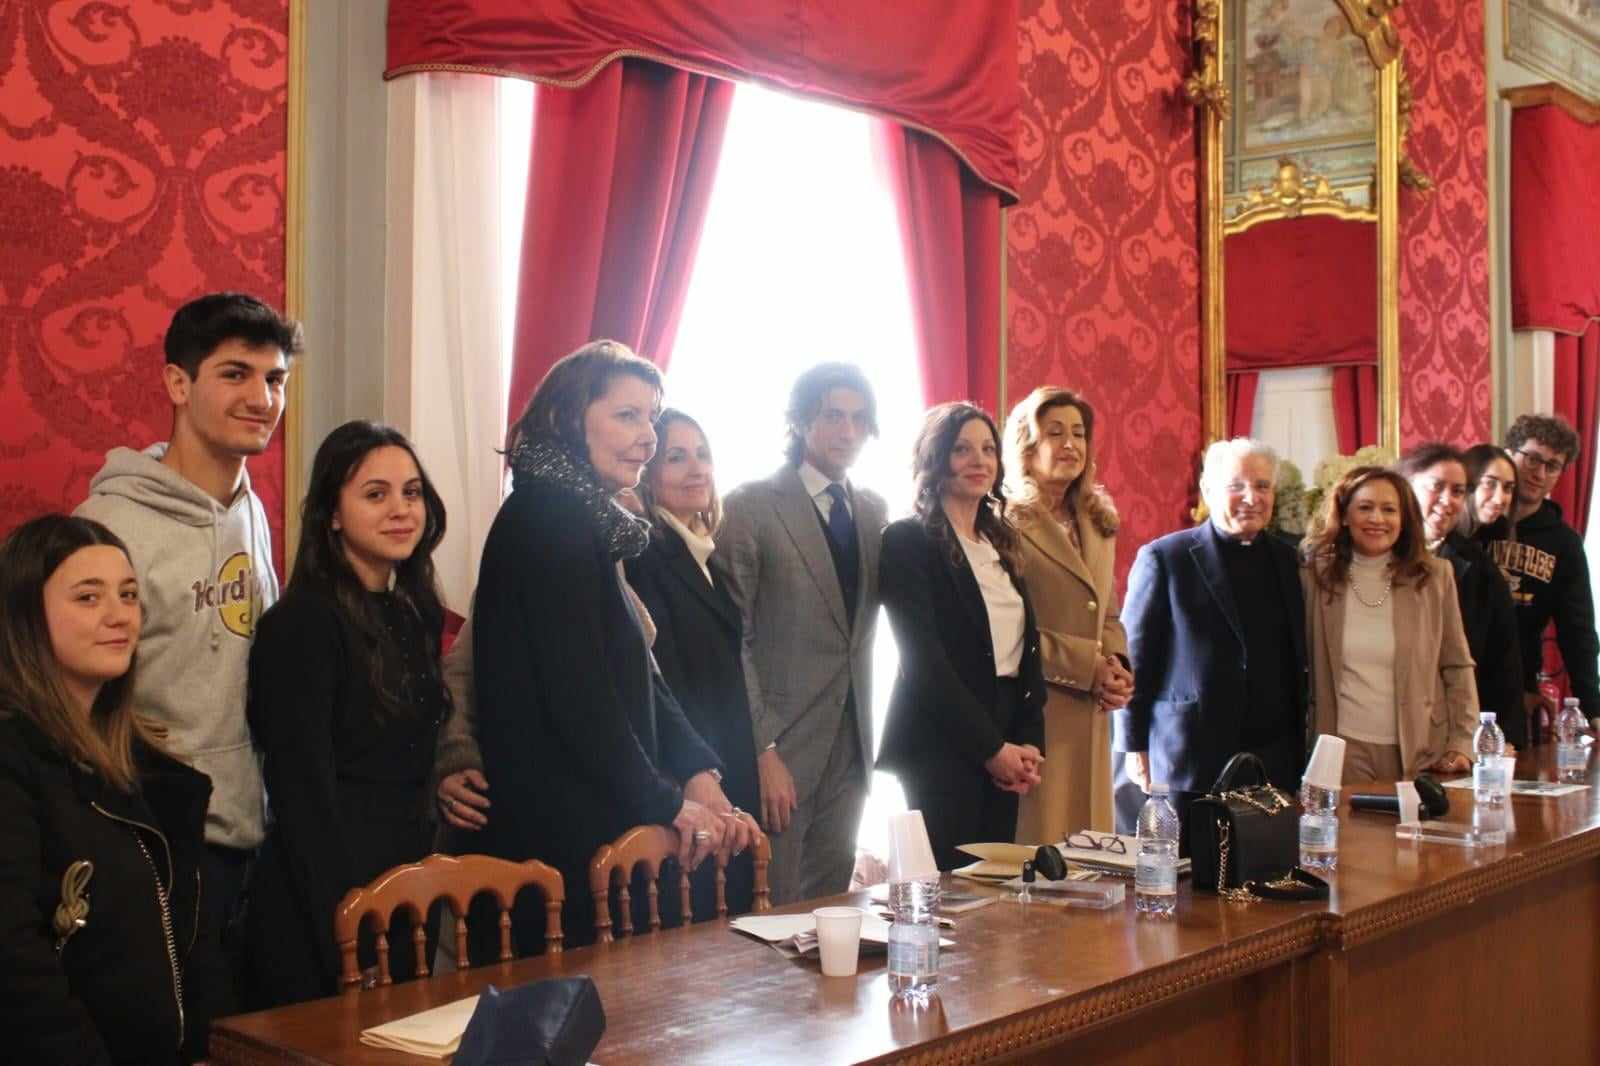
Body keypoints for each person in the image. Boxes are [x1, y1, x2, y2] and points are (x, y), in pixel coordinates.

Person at [474, 340, 756, 948]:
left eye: (650, 417)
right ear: (567, 417)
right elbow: (581, 695)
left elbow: (641, 674)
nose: (648, 438)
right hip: (560, 840)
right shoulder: (548, 517)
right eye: (627, 416)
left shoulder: (578, 516)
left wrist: (696, 770)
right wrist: (667, 801)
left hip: (595, 823)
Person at [73, 292, 301, 1009]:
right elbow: (65, 699)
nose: (262, 398)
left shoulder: (251, 509)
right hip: (159, 842)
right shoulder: (109, 526)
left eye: (274, 379)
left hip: (252, 834)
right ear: (178, 382)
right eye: (235, 374)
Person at [0, 515, 222, 1064]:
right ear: (26, 616)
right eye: (88, 597)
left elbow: (178, 945)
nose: (119, 615)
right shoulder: (14, 758)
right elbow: (16, 966)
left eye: (128, 594)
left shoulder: (144, 766)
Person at [243, 422, 451, 1007]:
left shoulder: (413, 610)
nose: (401, 510)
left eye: (412, 492)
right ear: (332, 514)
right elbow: (302, 793)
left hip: (405, 884)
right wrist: (349, 931)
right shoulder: (301, 625)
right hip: (323, 902)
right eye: (376, 494)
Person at [716, 363, 887, 904]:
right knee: (773, 914)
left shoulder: (873, 512)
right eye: (833, 415)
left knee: (834, 913)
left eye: (858, 419)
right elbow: (733, 640)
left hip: (853, 747)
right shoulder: (750, 506)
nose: (847, 431)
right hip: (782, 749)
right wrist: (762, 749)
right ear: (800, 420)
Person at [877, 404, 1047, 870]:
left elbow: (1027, 652)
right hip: (940, 741)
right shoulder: (907, 540)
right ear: (935, 459)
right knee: (951, 891)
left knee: (996, 886)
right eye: (962, 450)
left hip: (1007, 732)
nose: (979, 461)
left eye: (988, 449)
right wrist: (991, 750)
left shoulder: (1001, 542)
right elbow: (924, 662)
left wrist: (1029, 743)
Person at [1115, 439, 1307, 839]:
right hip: (1189, 755)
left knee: (1267, 867)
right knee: (1186, 869)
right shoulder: (1166, 557)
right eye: (1236, 486)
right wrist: (1133, 745)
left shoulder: (1289, 560)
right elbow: (1133, 659)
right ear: (1208, 490)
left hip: (1273, 757)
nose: (1251, 498)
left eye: (1263, 486)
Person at [624, 409, 762, 914]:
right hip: (688, 776)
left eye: (702, 455)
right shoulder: (644, 553)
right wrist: (694, 773)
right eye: (676, 457)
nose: (696, 468)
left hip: (724, 762)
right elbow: (663, 680)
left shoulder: (706, 557)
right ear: (647, 473)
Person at [1001, 387, 1132, 840]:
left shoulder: (1098, 519)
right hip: (1037, 709)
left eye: (1078, 433)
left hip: (1093, 713)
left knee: (1091, 850)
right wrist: (1084, 666)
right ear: (1027, 446)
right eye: (1055, 433)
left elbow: (1108, 611)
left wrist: (1116, 666)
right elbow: (1006, 627)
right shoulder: (1004, 520)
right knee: (1043, 847)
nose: (1071, 444)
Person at [1300, 467, 1477, 783]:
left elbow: (1457, 665)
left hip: (1422, 749)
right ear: (1344, 516)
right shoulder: (1315, 575)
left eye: (1389, 509)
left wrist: (1462, 743)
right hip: (1341, 748)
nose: (1377, 519)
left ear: (1404, 518)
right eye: (1365, 507)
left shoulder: (1435, 576)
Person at [1397, 443, 1525, 748]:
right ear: (1406, 487)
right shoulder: (1376, 555)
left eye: (1457, 491)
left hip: (1445, 729)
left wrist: (1505, 739)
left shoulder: (1480, 569)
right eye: (1437, 487)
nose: (1448, 500)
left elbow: (1502, 663)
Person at [1492, 415, 1600, 736]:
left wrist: (1592, 707)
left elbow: (1577, 631)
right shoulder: (1474, 524)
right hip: (1452, 683)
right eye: (1532, 459)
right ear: (1509, 454)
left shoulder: (1564, 544)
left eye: (1552, 466)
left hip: (1517, 688)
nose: (1539, 473)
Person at [1461, 443, 1519, 550]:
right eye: (1490, 484)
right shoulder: (1440, 537)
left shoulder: (1499, 530)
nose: (1499, 499)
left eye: (1508, 487)